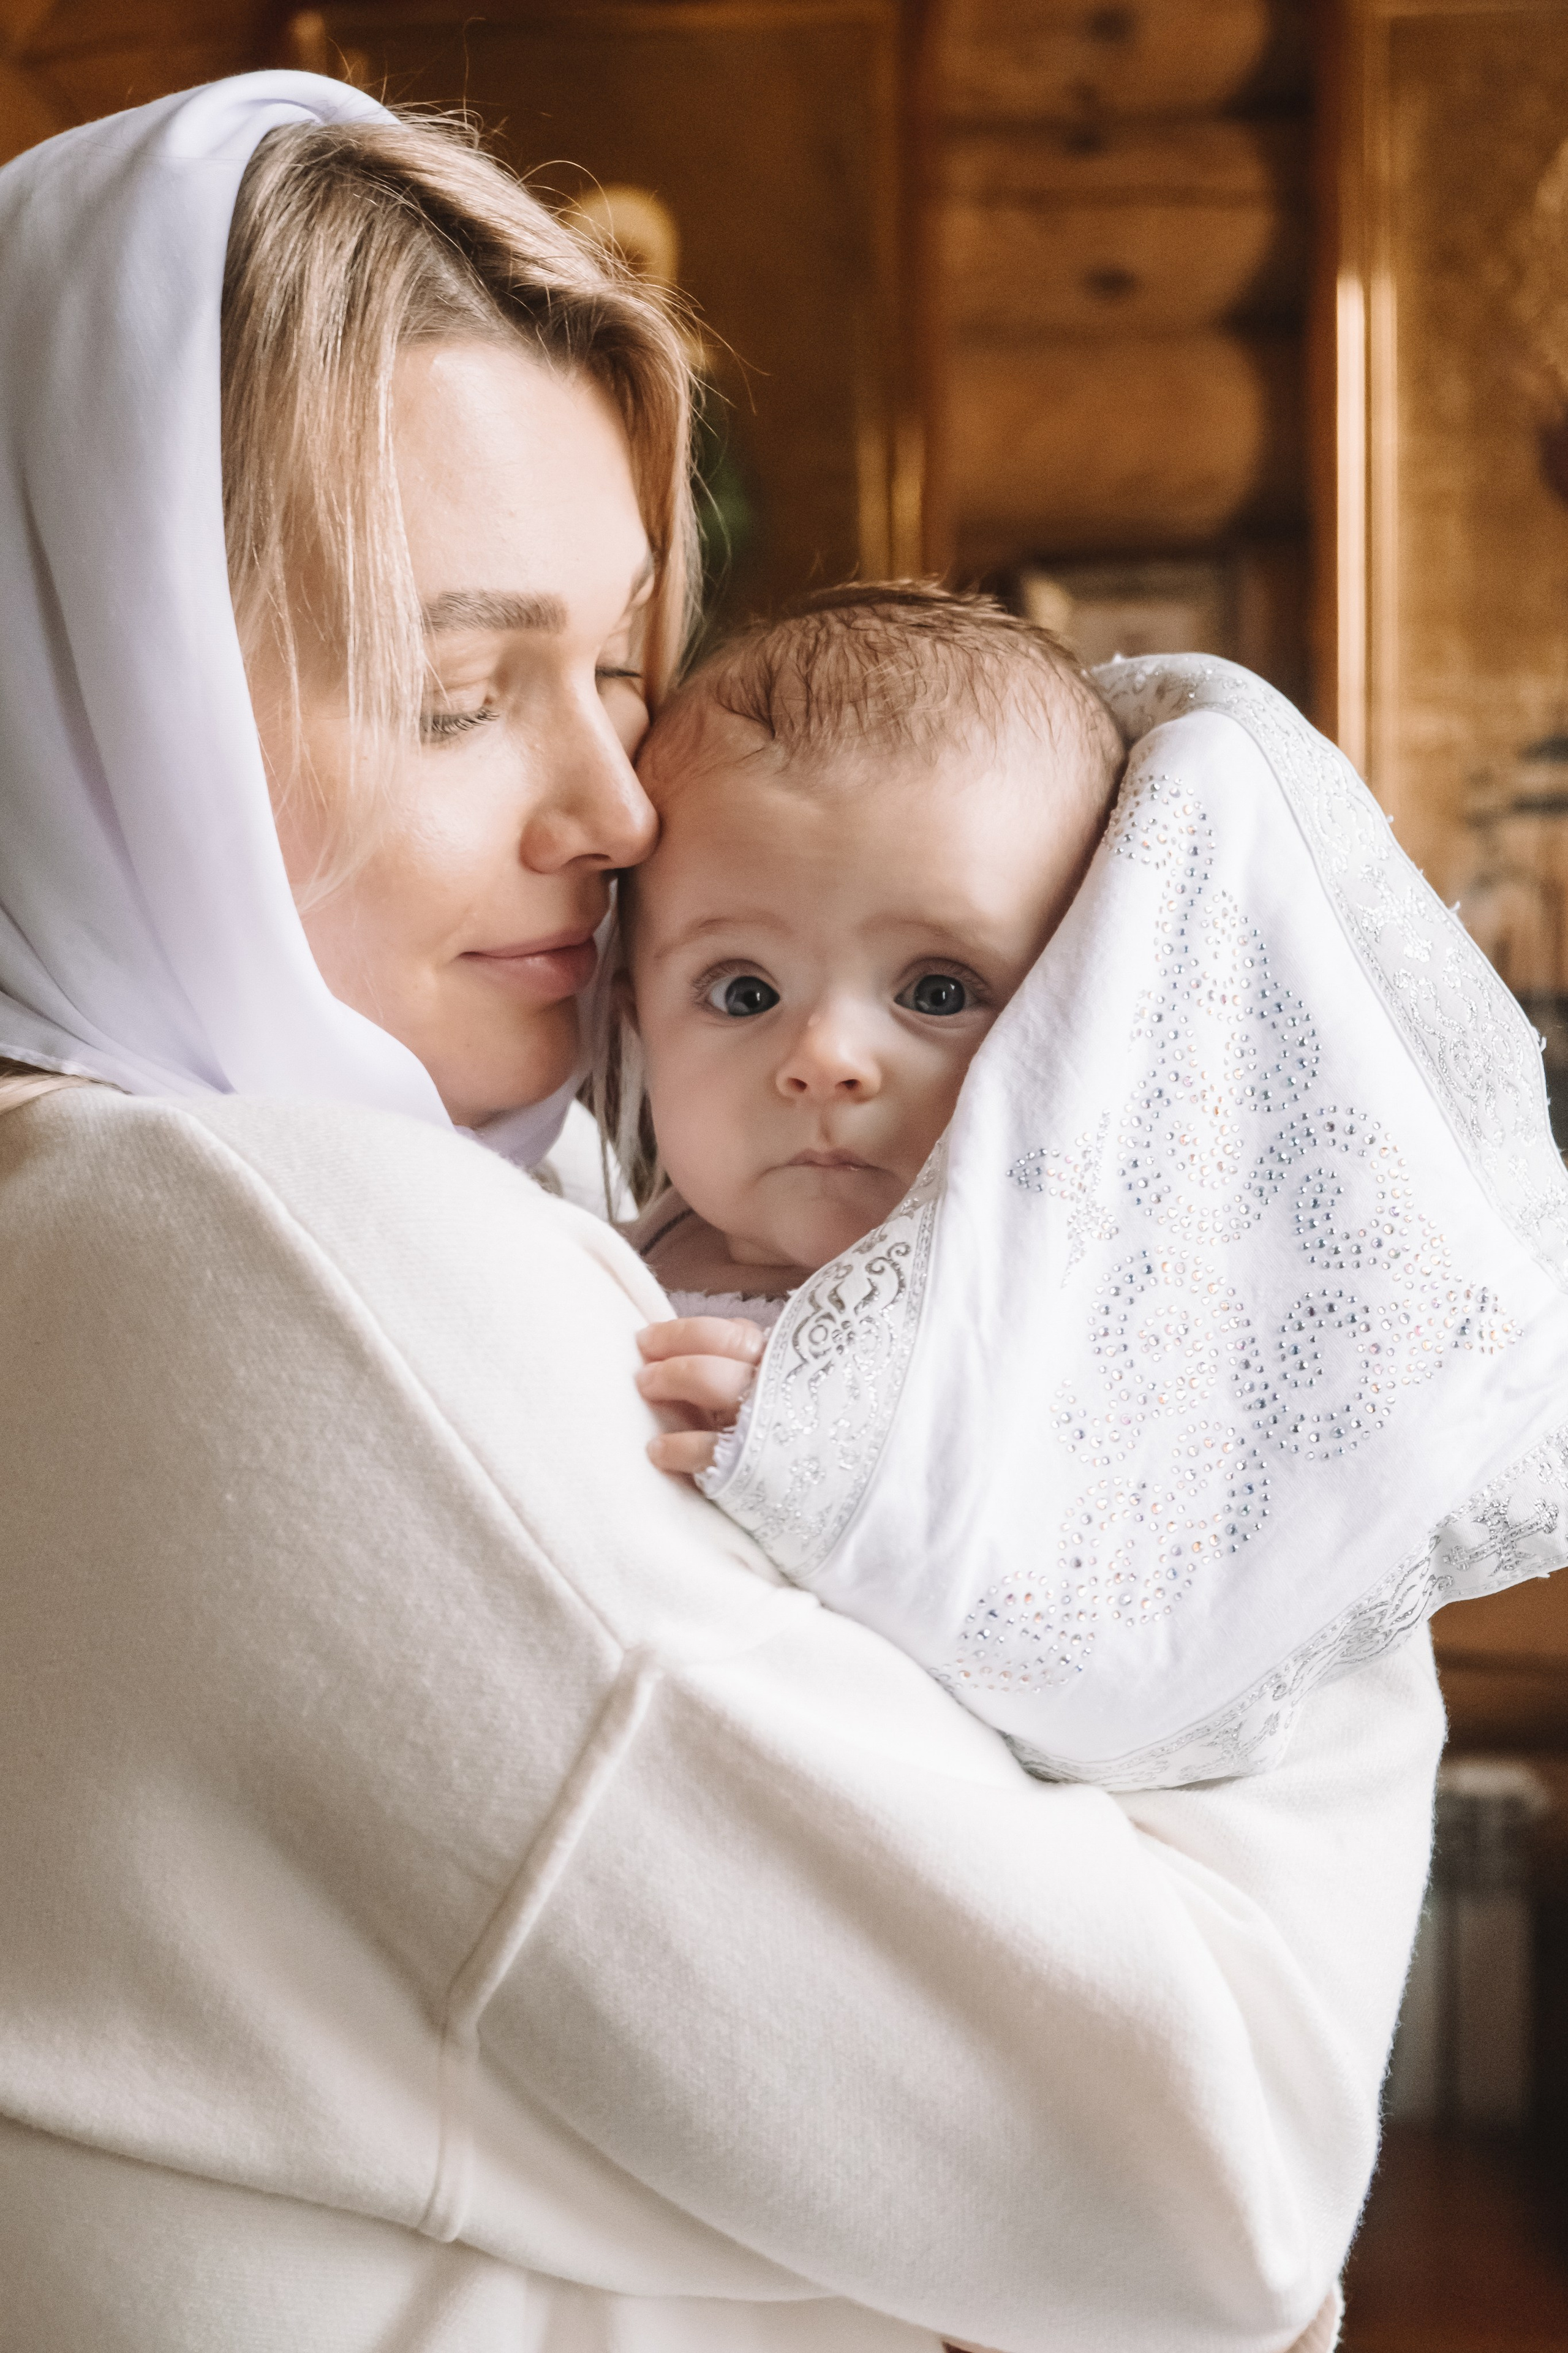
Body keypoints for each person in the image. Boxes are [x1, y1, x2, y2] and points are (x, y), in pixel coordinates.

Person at [0, 70, 1439, 2353]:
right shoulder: (242, 1256)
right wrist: (1316, 1464)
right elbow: (1219, 2177)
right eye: (463, 688)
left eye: (614, 671)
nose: (610, 804)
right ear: (91, 685)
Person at [615, 590, 1568, 1788]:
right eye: (740, 991)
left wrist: (840, 1449)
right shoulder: (591, 1262)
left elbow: (1109, 1622)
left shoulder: (1096, 1332)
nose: (824, 1056)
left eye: (938, 990)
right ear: (630, 1011)